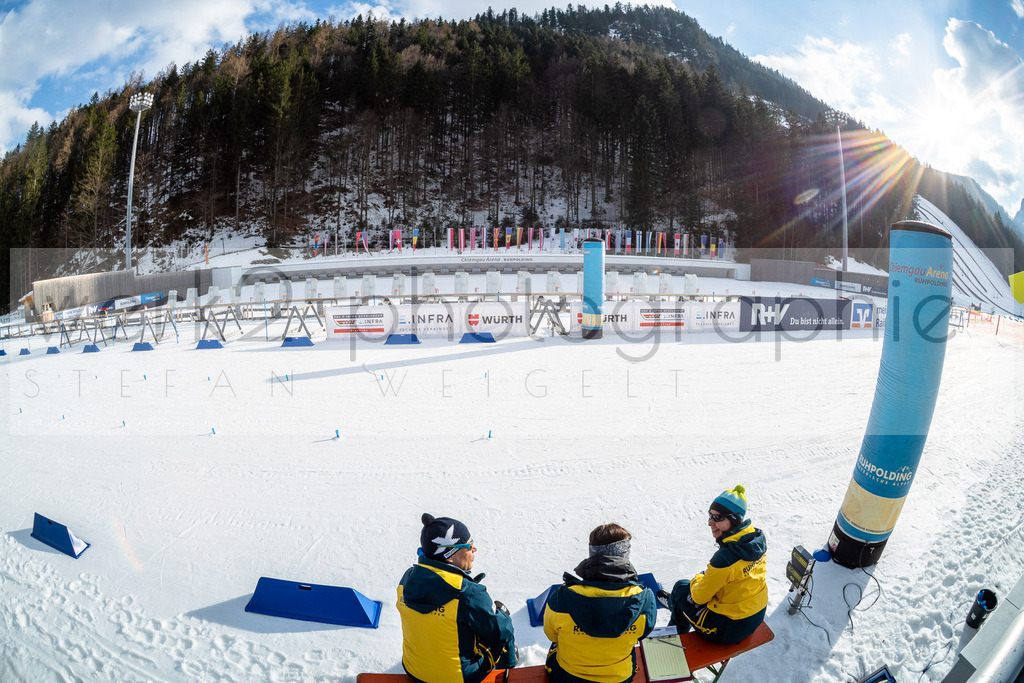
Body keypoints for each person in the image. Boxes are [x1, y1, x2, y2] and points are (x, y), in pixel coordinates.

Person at [397, 513, 518, 683]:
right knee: (501, 621)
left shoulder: (407, 579)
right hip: (459, 678)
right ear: (450, 555)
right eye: (469, 545)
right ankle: (508, 668)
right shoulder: (468, 593)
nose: (474, 549)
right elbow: (502, 632)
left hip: (414, 670)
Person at [544, 523, 657, 683]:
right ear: (624, 554)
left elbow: (551, 635)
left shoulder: (562, 598)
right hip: (620, 678)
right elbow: (642, 634)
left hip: (569, 677)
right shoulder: (644, 599)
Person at [659, 485, 768, 644]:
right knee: (681, 592)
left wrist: (699, 577)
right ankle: (675, 605)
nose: (710, 522)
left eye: (718, 518)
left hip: (728, 629)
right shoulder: (755, 541)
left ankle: (670, 643)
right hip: (755, 614)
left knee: (681, 589)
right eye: (710, 515)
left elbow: (699, 597)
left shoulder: (725, 559)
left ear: (734, 519)